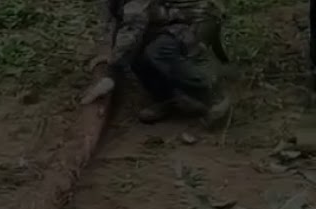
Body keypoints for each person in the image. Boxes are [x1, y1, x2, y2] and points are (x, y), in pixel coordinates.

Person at [80, 0, 230, 124]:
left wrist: (110, 74)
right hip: (167, 18)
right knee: (136, 49)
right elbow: (116, 22)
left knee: (159, 50)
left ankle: (213, 94)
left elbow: (133, 27)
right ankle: (168, 97)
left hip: (198, 17)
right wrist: (111, 54)